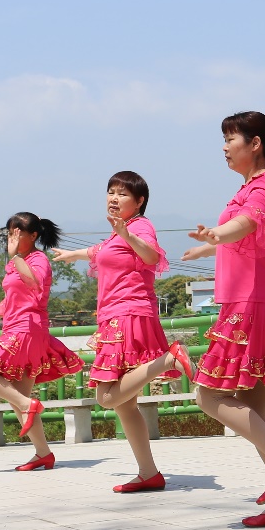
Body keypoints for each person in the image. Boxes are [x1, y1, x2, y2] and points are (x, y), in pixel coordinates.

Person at [182, 111, 265, 527]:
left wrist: (218, 235)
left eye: (230, 138)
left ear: (255, 144)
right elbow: (244, 232)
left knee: (208, 396)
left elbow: (248, 221)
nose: (223, 146)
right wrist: (208, 246)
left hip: (250, 307)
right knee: (255, 408)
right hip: (259, 302)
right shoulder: (251, 187)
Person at [52, 171, 192, 492]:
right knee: (124, 405)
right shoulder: (116, 234)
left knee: (105, 397)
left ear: (139, 201)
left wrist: (127, 234)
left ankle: (169, 360)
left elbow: (152, 256)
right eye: (110, 192)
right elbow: (99, 251)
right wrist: (71, 254)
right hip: (117, 316)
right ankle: (148, 473)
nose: (114, 198)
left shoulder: (139, 227)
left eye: (122, 194)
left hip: (126, 315)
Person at [0, 213, 84, 471]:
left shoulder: (38, 260)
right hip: (19, 327)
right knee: (19, 396)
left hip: (27, 330)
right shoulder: (15, 264)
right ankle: (43, 453)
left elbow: (34, 284)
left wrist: (15, 256)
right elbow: (11, 300)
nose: (13, 238)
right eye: (10, 234)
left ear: (33, 236)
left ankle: (27, 407)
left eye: (18, 234)